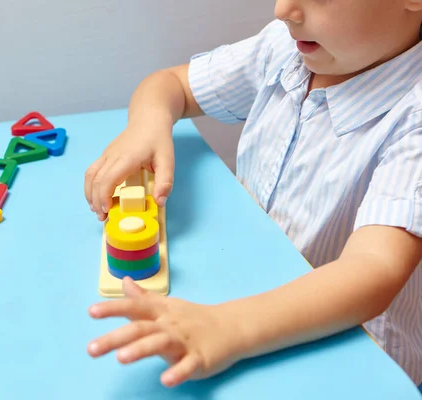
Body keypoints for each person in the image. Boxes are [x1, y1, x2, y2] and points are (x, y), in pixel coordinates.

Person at [83, 0, 422, 392]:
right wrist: (149, 122)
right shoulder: (287, 48)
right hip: (248, 292)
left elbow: (374, 270)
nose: (283, 9)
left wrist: (230, 326)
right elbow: (169, 84)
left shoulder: (413, 119)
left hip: (354, 359)